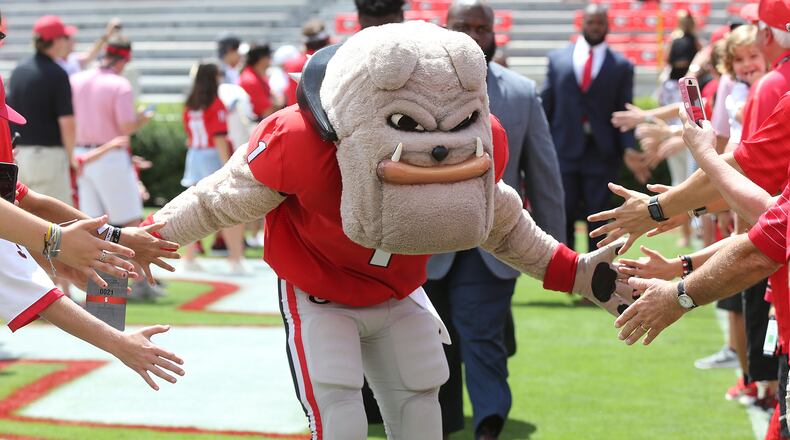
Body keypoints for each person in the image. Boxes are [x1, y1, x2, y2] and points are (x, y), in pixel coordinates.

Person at [143, 22, 632, 439]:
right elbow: (219, 199)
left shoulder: (477, 146)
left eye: (458, 123)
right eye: (409, 123)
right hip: (319, 290)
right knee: (340, 417)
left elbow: (502, 224)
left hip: (399, 293)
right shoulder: (304, 145)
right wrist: (149, 235)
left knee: (422, 411)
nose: (438, 146)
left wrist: (578, 273)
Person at [425, 2, 565, 439]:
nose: (470, 35)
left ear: (494, 33)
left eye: (479, 27)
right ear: (443, 31)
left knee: (482, 336)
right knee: (432, 342)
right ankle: (441, 422)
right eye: (460, 27)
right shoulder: (414, 90)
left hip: (494, 243)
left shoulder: (522, 93)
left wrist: (555, 254)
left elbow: (543, 175)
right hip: (426, 241)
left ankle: (488, 421)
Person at [541, 4, 647, 253]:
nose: (596, 27)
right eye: (591, 22)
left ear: (607, 26)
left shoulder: (621, 65)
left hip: (602, 152)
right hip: (564, 148)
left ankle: (595, 270)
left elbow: (624, 111)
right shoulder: (557, 60)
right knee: (563, 209)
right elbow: (546, 105)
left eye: (600, 22)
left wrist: (628, 148)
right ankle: (565, 265)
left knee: (598, 213)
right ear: (582, 24)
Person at [181, 61, 245, 274]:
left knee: (193, 208)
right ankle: (235, 260)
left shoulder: (190, 103)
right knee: (228, 208)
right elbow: (218, 138)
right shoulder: (215, 103)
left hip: (194, 156)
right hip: (211, 156)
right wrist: (228, 166)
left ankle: (189, 258)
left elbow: (188, 136)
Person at [6, 15, 76, 205]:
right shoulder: (58, 73)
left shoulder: (19, 69)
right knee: (57, 225)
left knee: (24, 224)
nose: (68, 42)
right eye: (64, 38)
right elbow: (67, 123)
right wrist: (72, 158)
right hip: (48, 158)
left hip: (19, 155)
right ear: (55, 41)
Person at [58, 17, 122, 75]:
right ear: (62, 42)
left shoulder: (72, 58)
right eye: (69, 39)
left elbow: (91, 54)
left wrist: (108, 33)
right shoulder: (54, 62)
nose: (74, 42)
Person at [239, 44, 280, 121]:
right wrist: (278, 103)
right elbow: (267, 111)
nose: (270, 59)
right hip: (256, 125)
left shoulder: (258, 75)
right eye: (268, 56)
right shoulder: (250, 80)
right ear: (261, 59)